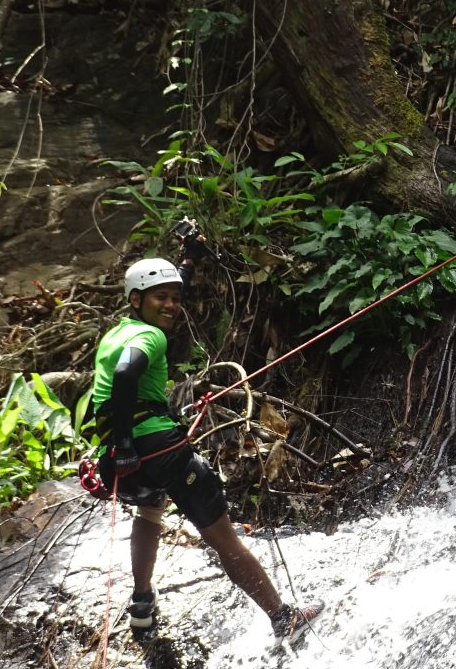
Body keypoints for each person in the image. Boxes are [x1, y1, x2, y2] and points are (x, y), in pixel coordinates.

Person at [91, 231, 323, 641]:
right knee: (223, 538)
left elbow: (124, 365)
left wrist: (189, 263)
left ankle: (142, 603)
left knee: (149, 510)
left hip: (122, 458)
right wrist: (130, 443)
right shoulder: (150, 336)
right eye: (160, 298)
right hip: (156, 449)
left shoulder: (116, 332)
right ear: (135, 300)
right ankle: (281, 616)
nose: (171, 306)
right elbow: (128, 372)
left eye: (175, 298)